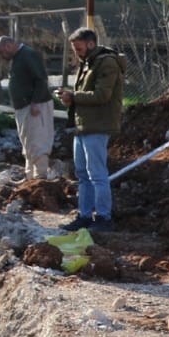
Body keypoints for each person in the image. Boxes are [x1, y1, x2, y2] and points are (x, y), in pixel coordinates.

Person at [56, 27, 124, 233]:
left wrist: (74, 97)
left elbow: (102, 95)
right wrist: (71, 99)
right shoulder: (89, 63)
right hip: (83, 125)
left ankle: (103, 217)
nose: (77, 53)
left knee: (97, 174)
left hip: (98, 125)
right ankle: (84, 216)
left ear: (91, 44)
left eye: (79, 48)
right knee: (83, 175)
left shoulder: (107, 63)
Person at [0, 35, 54, 179]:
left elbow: (41, 79)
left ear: (8, 45)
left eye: (2, 52)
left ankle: (40, 177)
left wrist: (35, 102)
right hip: (24, 107)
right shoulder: (19, 57)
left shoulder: (28, 55)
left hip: (34, 107)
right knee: (27, 143)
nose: (2, 56)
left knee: (38, 141)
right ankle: (30, 178)